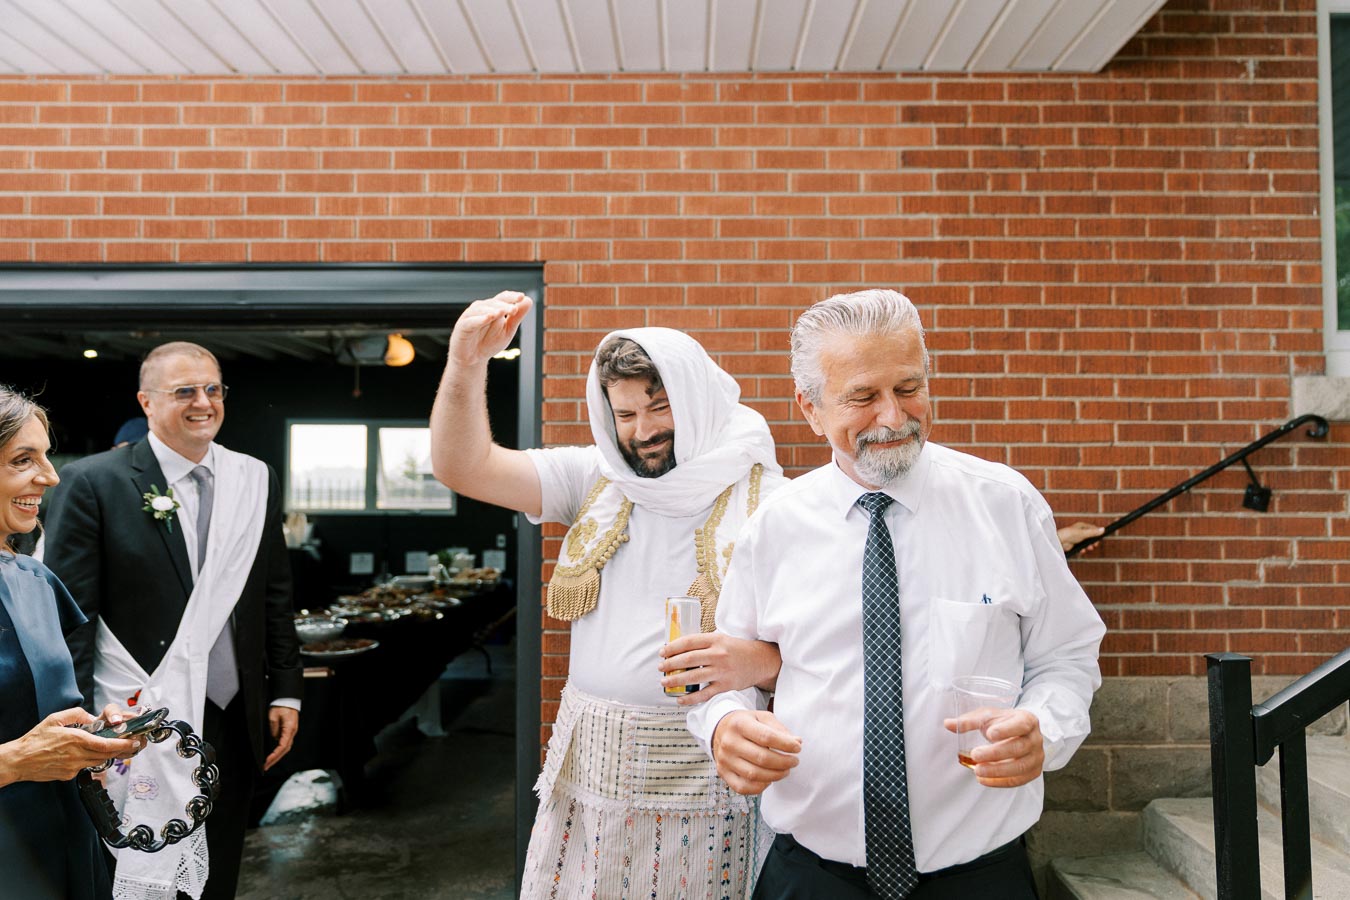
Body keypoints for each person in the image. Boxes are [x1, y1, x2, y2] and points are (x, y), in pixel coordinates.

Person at [687, 290, 1106, 899]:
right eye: (862, 396)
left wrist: (1046, 725)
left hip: (980, 876)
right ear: (809, 407)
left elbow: (1066, 656)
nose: (893, 416)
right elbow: (729, 676)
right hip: (812, 877)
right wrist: (725, 724)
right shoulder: (772, 529)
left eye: (908, 387)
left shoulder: (1006, 506)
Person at [430, 291, 788, 899]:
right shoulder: (596, 477)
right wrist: (466, 365)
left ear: (698, 399)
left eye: (659, 406)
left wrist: (766, 666)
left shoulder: (778, 503)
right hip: (593, 762)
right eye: (624, 415)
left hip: (704, 767)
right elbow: (463, 466)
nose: (643, 431)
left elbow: (825, 653)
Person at [43, 343, 303, 900]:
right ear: (147, 401)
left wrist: (285, 691)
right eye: (185, 391)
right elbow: (71, 615)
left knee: (224, 861)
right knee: (137, 861)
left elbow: (274, 594)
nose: (203, 403)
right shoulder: (95, 482)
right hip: (136, 712)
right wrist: (78, 720)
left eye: (213, 389)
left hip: (235, 714)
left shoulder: (254, 479)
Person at [0, 386, 147, 900]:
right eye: (23, 459)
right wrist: (14, 761)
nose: (50, 476)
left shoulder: (35, 579)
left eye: (45, 455)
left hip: (68, 840)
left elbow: (45, 709)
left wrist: (89, 736)